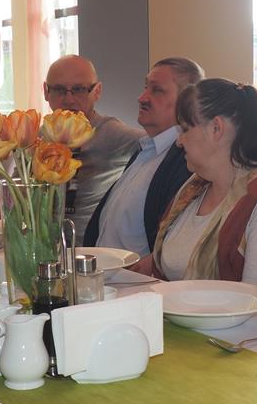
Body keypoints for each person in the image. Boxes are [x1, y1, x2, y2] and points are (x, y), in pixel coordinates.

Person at [135, 79, 257, 289]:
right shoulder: (194, 187)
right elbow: (166, 265)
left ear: (216, 128)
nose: (179, 141)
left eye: (185, 129)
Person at [84, 57, 202, 255]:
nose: (142, 98)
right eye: (146, 87)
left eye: (157, 90)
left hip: (136, 275)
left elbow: (170, 245)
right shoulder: (145, 150)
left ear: (186, 102)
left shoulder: (185, 162)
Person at [43, 55, 142, 240]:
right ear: (46, 92)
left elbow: (159, 143)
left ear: (97, 91)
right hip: (43, 245)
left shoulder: (110, 132)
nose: (68, 99)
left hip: (92, 248)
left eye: (79, 89)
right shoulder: (38, 136)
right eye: (59, 90)